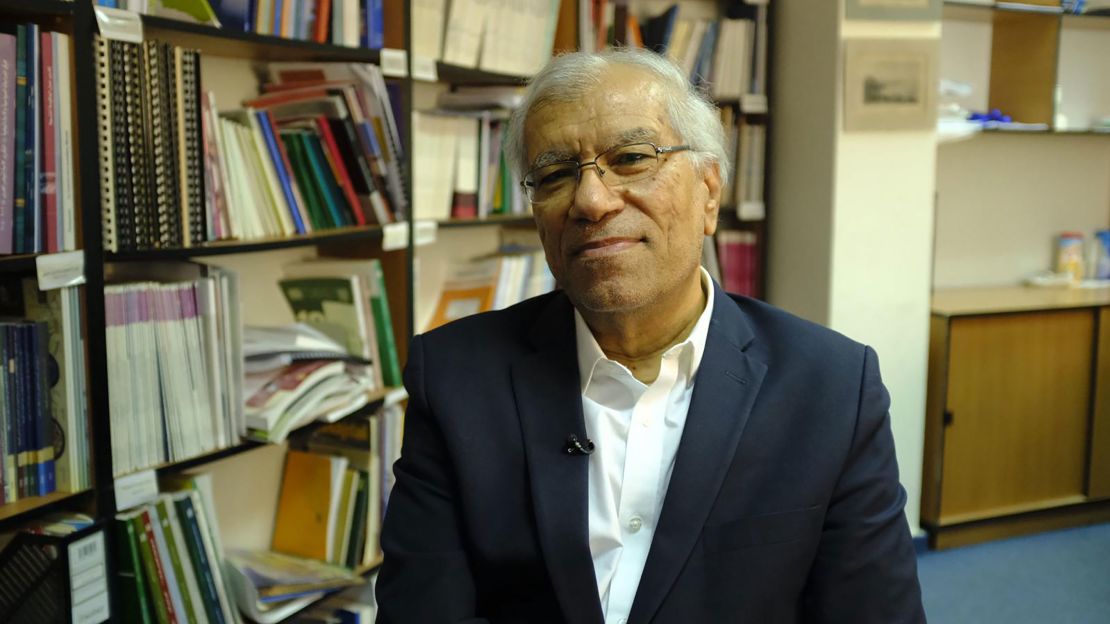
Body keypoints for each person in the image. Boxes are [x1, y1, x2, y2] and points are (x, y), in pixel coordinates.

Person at [376, 48, 925, 623]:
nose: (591, 200)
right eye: (557, 173)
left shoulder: (832, 388)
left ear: (709, 191)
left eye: (633, 157)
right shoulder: (457, 375)